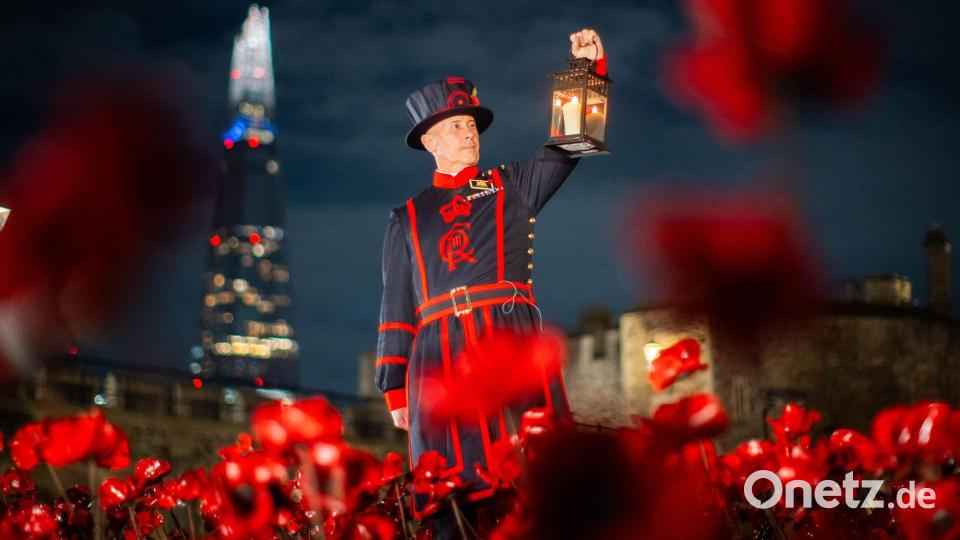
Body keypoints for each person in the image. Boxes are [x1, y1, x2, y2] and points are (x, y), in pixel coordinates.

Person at [375, 28, 607, 534]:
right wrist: (395, 389)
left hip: (510, 339)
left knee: (533, 482)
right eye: (456, 126)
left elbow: (569, 145)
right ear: (429, 141)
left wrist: (584, 74)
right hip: (438, 358)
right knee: (452, 496)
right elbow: (396, 305)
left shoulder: (511, 185)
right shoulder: (406, 216)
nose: (468, 133)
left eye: (471, 124)